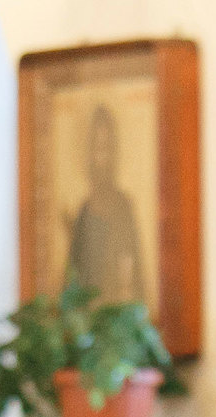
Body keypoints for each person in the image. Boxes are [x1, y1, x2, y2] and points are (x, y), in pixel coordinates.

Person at [67, 103, 145, 304]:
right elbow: (73, 277)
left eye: (107, 148)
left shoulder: (123, 207)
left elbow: (135, 277)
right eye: (97, 148)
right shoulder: (84, 211)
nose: (102, 158)